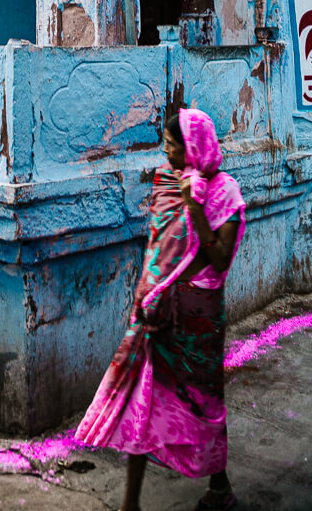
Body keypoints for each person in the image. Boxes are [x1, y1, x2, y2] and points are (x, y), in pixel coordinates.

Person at [75, 108, 246, 511]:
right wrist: (146, 298)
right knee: (143, 400)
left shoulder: (226, 194)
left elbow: (220, 260)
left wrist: (197, 208)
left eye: (172, 146)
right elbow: (157, 252)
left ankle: (219, 488)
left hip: (198, 318)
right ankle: (130, 504)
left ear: (194, 148)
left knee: (201, 404)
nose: (165, 153)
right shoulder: (166, 183)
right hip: (157, 315)